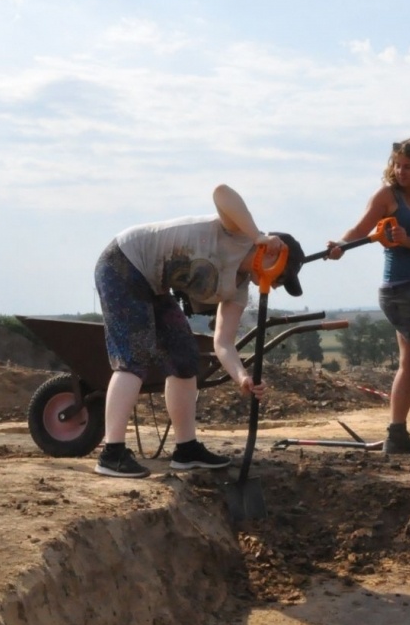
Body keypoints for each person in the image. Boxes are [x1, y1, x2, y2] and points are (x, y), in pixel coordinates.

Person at [93, 184, 305, 479]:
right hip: (123, 261)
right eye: (283, 277)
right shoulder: (238, 233)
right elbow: (221, 192)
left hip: (153, 284)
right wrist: (258, 235)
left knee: (184, 358)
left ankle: (186, 449)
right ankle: (111, 453)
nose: (278, 284)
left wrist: (241, 376)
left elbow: (223, 343)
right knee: (134, 357)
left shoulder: (239, 289)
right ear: (273, 254)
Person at [328, 139, 410, 457]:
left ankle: (397, 436)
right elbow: (360, 229)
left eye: (408, 166)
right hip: (403, 291)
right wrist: (339, 245)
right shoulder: (388, 197)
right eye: (397, 164)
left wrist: (408, 239)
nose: (401, 171)